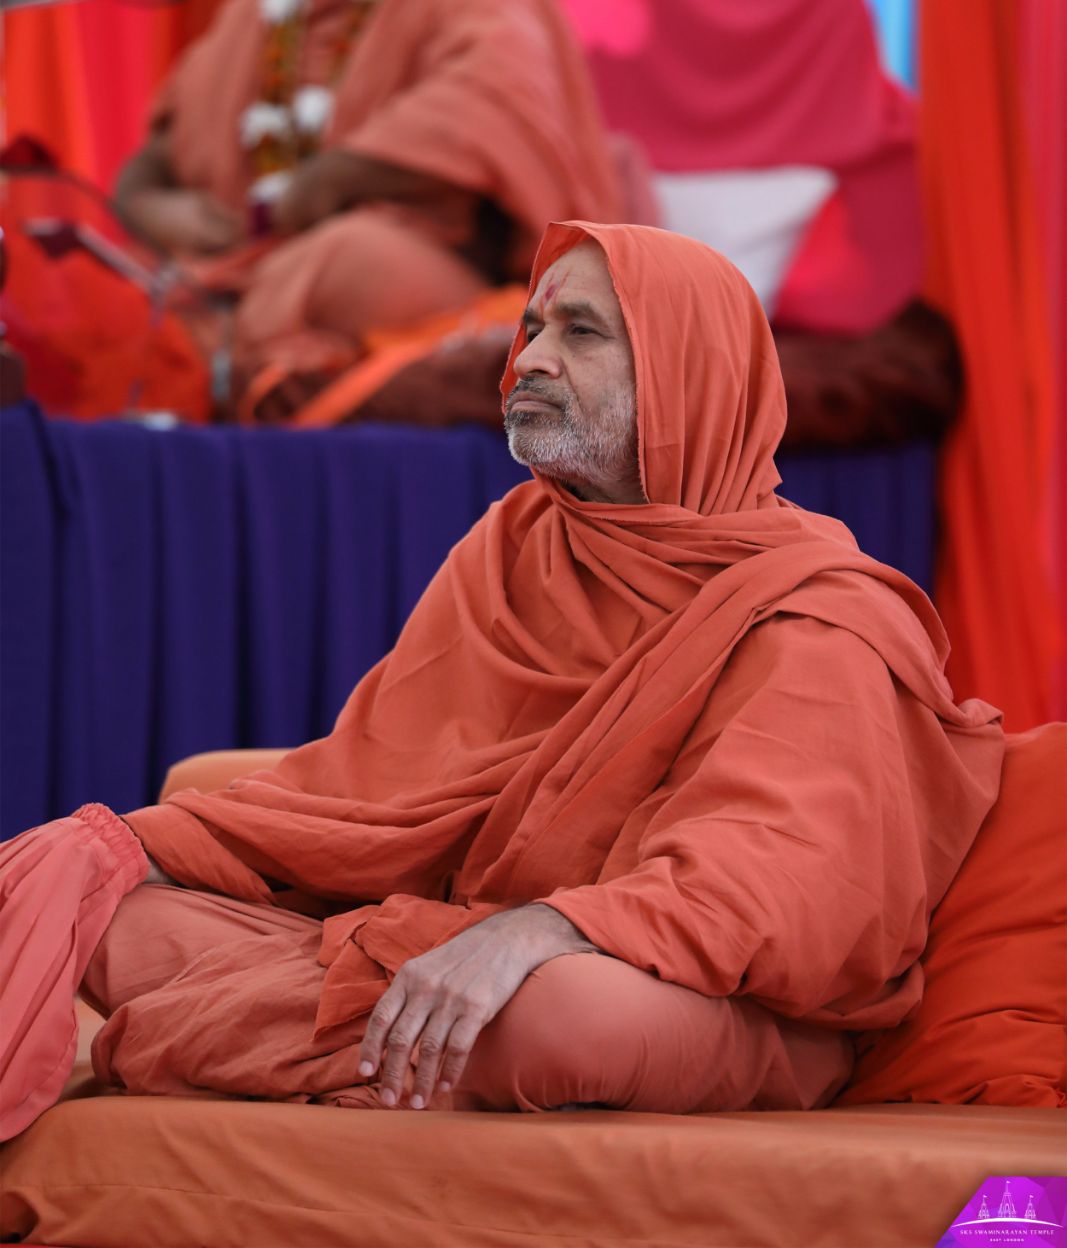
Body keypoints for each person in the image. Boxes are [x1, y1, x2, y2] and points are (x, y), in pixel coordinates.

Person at [0, 223, 1002, 1136]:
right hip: (452, 946)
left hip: (698, 992)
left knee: (562, 1018)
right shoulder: (513, 547)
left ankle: (279, 1027)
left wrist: (548, 928)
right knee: (108, 910)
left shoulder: (817, 606)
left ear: (684, 374)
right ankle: (369, 1031)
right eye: (527, 327)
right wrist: (131, 848)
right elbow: (365, 793)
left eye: (580, 332)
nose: (528, 359)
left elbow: (777, 889)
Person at [113, 0, 624, 420]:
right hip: (232, 268)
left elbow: (490, 101)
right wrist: (159, 210)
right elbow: (147, 164)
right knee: (101, 282)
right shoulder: (255, 12)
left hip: (409, 265)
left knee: (339, 261)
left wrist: (332, 180)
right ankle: (215, 346)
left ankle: (223, 354)